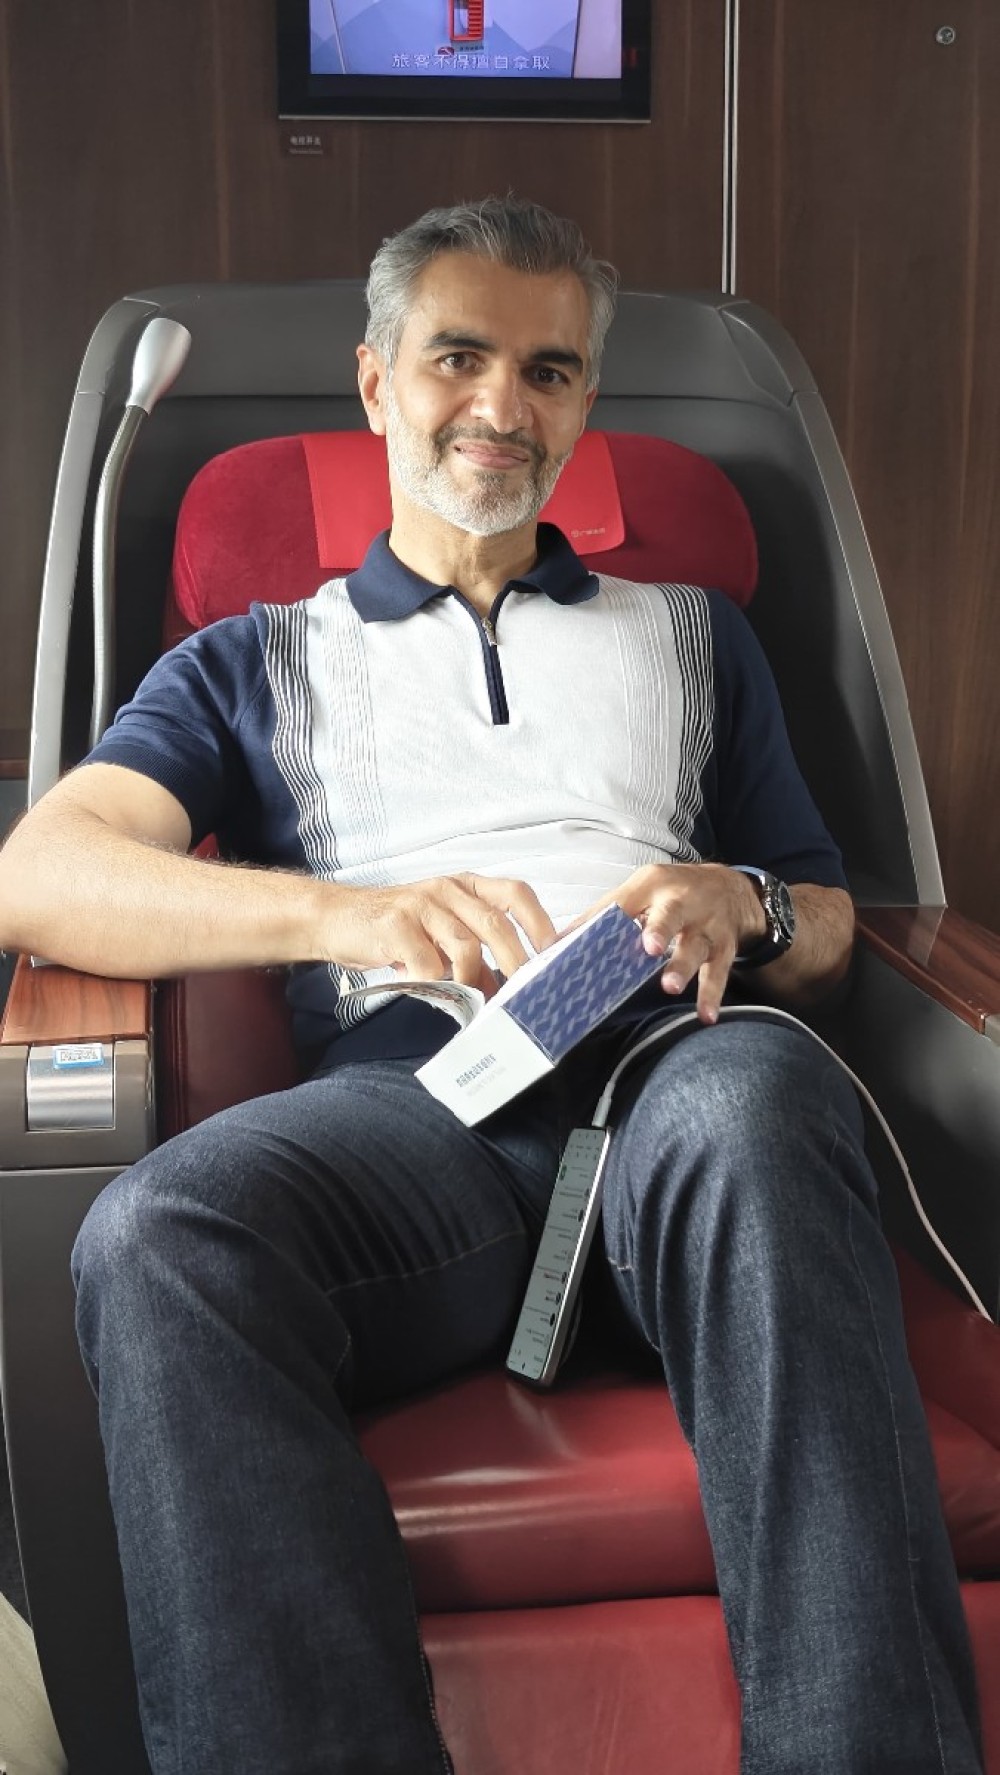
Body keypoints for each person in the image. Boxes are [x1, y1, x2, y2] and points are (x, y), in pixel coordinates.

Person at [0, 197, 983, 1775]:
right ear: (378, 381)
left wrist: (737, 898)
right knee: (160, 1236)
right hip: (417, 1118)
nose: (503, 406)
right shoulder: (255, 657)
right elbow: (42, 872)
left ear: (586, 401)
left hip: (681, 1077)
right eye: (459, 357)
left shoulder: (696, 636)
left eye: (550, 369)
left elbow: (823, 926)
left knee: (760, 1108)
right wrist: (354, 918)